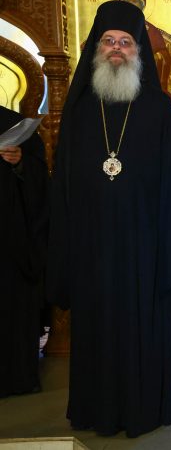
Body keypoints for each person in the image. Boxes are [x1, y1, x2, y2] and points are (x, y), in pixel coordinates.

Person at [46, 0, 171, 437]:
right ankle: (96, 409)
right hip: (91, 243)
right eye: (109, 41)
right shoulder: (79, 111)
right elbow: (64, 184)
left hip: (145, 243)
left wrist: (166, 241)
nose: (116, 49)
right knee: (96, 325)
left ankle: (146, 407)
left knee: (143, 323)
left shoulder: (159, 108)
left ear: (138, 51)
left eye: (125, 42)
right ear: (97, 48)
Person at [0, 106, 49, 398]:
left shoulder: (12, 124)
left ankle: (13, 378)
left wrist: (20, 163)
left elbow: (40, 176)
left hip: (9, 241)